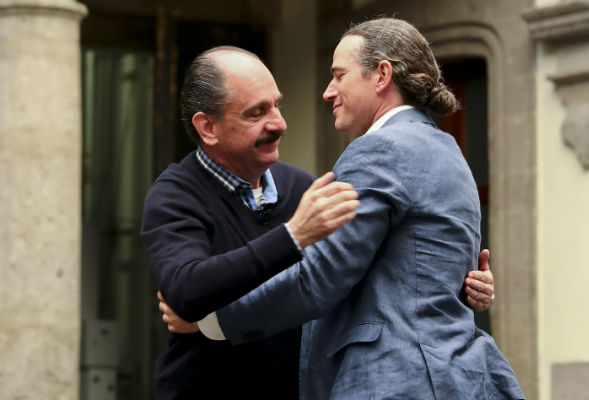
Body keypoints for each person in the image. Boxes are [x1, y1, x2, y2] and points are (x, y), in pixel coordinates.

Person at [193, 18, 524, 399]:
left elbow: (320, 277)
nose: (328, 92)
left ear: (381, 75)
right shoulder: (448, 150)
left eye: (339, 75)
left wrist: (212, 319)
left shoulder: (379, 150)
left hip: (396, 381)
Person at [141, 46, 360, 399]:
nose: (279, 123)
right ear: (207, 127)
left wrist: (462, 280)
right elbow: (186, 290)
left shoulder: (303, 187)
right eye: (256, 112)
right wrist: (293, 237)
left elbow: (364, 267)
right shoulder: (175, 194)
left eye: (276, 104)